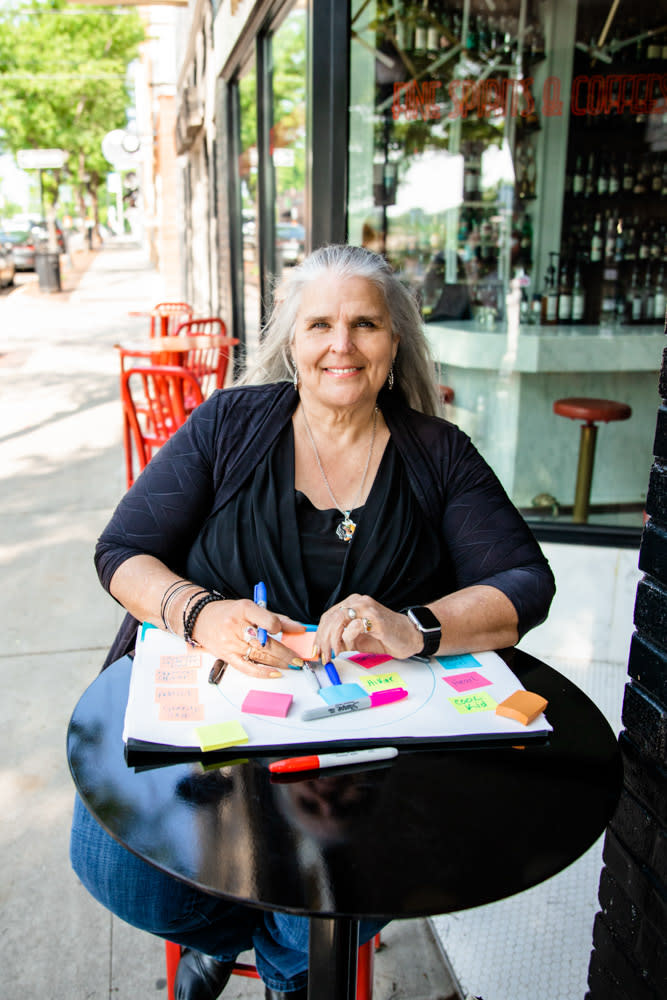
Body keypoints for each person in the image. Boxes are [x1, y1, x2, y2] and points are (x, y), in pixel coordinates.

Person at [70, 244, 555, 1000]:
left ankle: (288, 970)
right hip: (218, 729)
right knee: (118, 871)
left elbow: (524, 583)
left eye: (364, 324)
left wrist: (413, 626)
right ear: (290, 343)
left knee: (346, 892)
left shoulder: (437, 453)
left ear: (394, 343)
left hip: (367, 748)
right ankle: (247, 946)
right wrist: (201, 614)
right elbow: (122, 552)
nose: (341, 345)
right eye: (319, 324)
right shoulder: (231, 424)